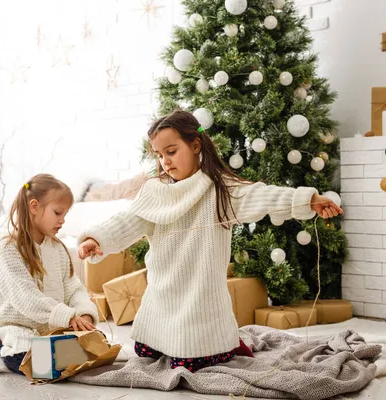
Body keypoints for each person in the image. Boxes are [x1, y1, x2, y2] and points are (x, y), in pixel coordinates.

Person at [78, 110, 342, 372]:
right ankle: (166, 338)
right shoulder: (155, 190)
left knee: (189, 360)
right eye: (159, 155)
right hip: (161, 302)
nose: (165, 161)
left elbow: (261, 196)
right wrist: (96, 238)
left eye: (171, 152)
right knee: (145, 353)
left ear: (195, 145)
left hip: (200, 306)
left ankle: (216, 344)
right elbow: (129, 220)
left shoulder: (219, 190)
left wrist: (307, 199)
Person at [0, 174, 98, 374]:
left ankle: (70, 354)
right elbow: (25, 296)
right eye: (58, 213)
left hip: (55, 331)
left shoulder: (58, 249)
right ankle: (0, 346)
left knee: (94, 349)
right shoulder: (9, 249)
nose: (62, 221)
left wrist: (83, 314)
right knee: (41, 361)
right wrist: (67, 317)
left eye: (65, 215)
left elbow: (73, 287)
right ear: (34, 207)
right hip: (21, 331)